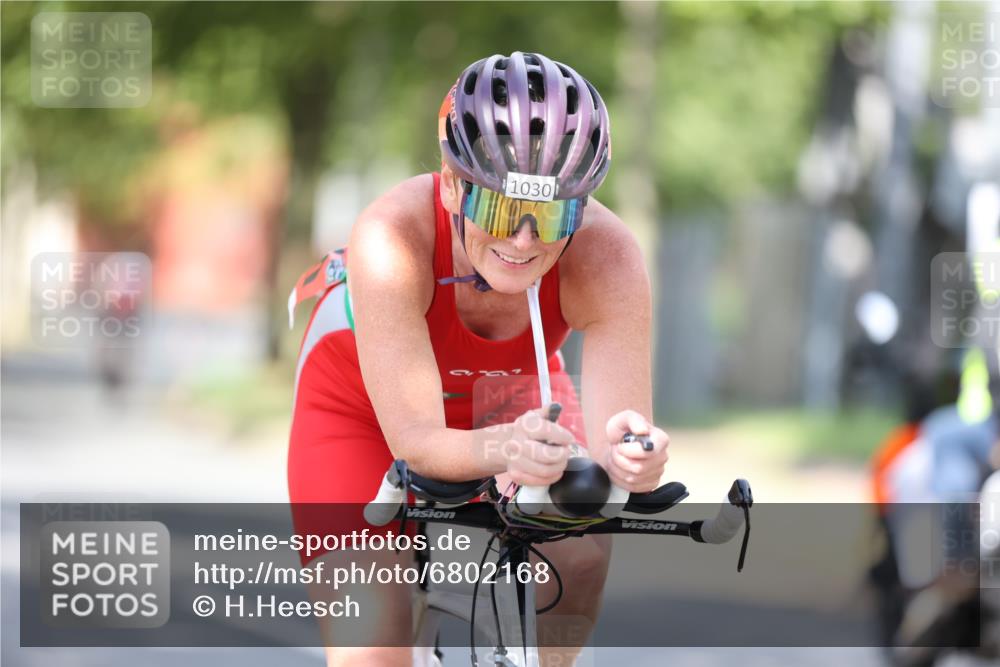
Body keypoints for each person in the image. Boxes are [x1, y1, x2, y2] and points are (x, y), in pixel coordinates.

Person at [287, 51, 670, 666]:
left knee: (578, 557)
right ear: (450, 184)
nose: (523, 240)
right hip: (360, 410)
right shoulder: (391, 237)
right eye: (496, 208)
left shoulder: (608, 257)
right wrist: (501, 451)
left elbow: (618, 439)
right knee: (373, 637)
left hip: (512, 398)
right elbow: (416, 439)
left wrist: (633, 461)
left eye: (550, 214)